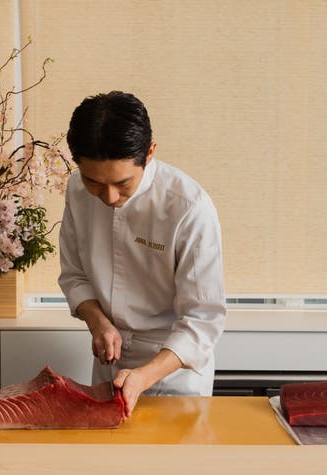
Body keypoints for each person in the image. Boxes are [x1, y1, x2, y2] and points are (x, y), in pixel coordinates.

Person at [58, 91, 226, 417]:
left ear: (149, 153)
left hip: (174, 369)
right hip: (110, 361)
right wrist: (98, 322)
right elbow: (75, 274)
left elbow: (203, 320)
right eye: (94, 182)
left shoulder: (188, 206)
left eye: (122, 183)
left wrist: (144, 376)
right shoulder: (77, 190)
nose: (108, 196)